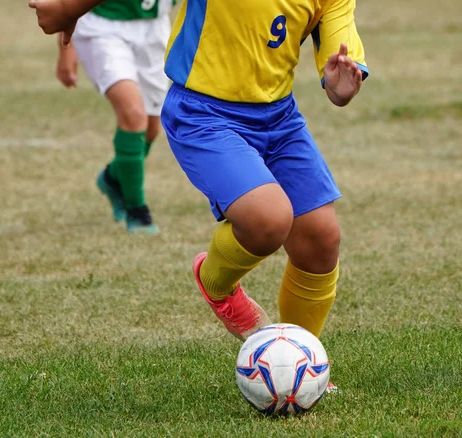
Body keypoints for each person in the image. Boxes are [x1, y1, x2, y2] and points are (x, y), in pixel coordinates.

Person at [31, 0, 367, 392]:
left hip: (279, 118)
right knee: (269, 220)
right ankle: (216, 283)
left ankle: (297, 363)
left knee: (321, 240)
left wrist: (341, 86)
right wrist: (70, 7)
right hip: (203, 113)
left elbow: (339, 65)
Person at [55, 0, 174, 234]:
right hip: (103, 24)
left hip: (155, 25)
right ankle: (137, 212)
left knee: (151, 129)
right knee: (133, 114)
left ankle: (112, 178)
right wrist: (65, 46)